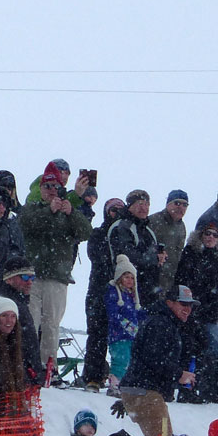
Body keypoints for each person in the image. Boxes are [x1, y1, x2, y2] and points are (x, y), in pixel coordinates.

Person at [116, 285, 201, 436]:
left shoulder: (165, 323)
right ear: (169, 302)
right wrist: (179, 374)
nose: (187, 309)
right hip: (145, 392)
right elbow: (154, 358)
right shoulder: (160, 324)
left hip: (144, 392)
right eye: (183, 304)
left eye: (190, 305)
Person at [18, 170, 93, 380]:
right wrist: (49, 211)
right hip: (31, 276)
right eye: (47, 187)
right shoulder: (32, 208)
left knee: (52, 324)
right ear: (40, 189)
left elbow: (86, 232)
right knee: (30, 322)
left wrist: (73, 213)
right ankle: (28, 366)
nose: (51, 191)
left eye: (55, 187)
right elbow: (26, 224)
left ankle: (49, 368)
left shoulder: (67, 212)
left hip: (58, 277)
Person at [178, 221, 218, 403]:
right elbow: (190, 282)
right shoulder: (192, 254)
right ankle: (206, 387)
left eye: (215, 234)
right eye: (207, 233)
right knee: (210, 350)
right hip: (203, 312)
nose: (211, 237)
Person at [81, 196, 126, 391]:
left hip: (121, 293)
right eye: (113, 210)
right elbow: (97, 256)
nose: (117, 214)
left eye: (120, 210)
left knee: (121, 337)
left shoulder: (126, 233)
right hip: (99, 290)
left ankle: (119, 376)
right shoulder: (99, 233)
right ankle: (93, 376)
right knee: (96, 334)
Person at [109, 190, 166, 307]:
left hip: (148, 290)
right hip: (127, 291)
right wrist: (154, 258)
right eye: (140, 204)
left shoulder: (148, 231)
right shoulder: (122, 226)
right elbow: (127, 256)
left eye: (147, 204)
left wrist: (160, 258)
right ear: (130, 205)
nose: (144, 208)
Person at [105, 256, 141, 396]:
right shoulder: (114, 293)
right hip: (118, 335)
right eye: (126, 277)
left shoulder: (132, 297)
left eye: (132, 278)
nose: (129, 281)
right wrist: (124, 324)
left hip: (131, 335)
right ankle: (115, 384)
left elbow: (138, 314)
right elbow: (113, 313)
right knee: (120, 359)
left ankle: (125, 384)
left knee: (129, 360)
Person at [147, 190, 189, 293]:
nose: (181, 207)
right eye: (177, 203)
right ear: (168, 204)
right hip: (152, 279)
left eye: (185, 204)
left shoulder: (181, 226)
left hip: (170, 281)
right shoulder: (152, 221)